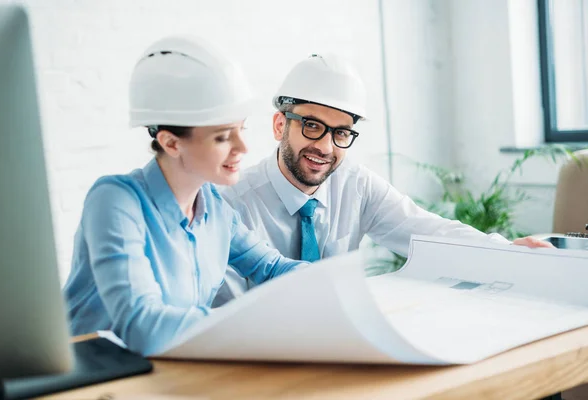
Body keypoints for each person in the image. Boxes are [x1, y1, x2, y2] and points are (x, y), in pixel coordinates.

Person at [216, 53, 552, 301]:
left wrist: (506, 251)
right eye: (312, 126)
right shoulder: (232, 203)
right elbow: (223, 312)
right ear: (279, 125)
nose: (324, 147)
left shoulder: (355, 184)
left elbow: (428, 233)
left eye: (341, 133)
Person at [63, 36, 307, 356]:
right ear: (171, 143)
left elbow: (274, 269)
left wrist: (330, 286)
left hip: (168, 372)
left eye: (241, 129)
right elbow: (143, 327)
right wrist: (250, 321)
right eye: (222, 136)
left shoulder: (215, 209)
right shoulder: (115, 202)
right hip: (95, 379)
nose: (243, 148)